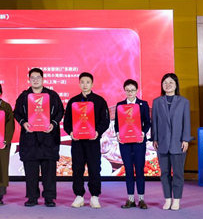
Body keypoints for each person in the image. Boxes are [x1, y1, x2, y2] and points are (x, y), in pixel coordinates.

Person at [14, 67, 64, 207]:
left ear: (43, 79)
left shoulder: (52, 95)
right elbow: (17, 113)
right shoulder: (24, 96)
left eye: (38, 77)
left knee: (49, 171)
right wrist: (23, 123)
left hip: (48, 138)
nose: (35, 80)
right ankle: (32, 197)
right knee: (31, 171)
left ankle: (49, 197)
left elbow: (60, 111)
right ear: (29, 80)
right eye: (33, 78)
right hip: (30, 138)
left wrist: (53, 124)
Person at [63, 72, 109, 209]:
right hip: (77, 141)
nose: (85, 85)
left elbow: (105, 121)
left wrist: (97, 132)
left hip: (92, 141)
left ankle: (95, 196)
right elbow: (67, 122)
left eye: (87, 82)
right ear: (79, 84)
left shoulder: (99, 101)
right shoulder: (73, 101)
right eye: (82, 82)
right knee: (77, 168)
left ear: (92, 84)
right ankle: (79, 195)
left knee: (94, 168)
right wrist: (71, 132)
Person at [151, 73, 191, 211]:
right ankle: (167, 199)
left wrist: (186, 139)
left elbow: (186, 122)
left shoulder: (184, 102)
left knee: (178, 173)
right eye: (165, 83)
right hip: (162, 143)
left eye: (170, 82)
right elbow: (154, 122)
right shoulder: (157, 102)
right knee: (164, 173)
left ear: (176, 85)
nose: (167, 85)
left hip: (178, 143)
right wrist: (155, 138)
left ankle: (177, 200)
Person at [113, 79, 152, 209]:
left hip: (139, 141)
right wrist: (118, 133)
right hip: (125, 142)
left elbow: (147, 122)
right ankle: (130, 199)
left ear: (137, 91)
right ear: (124, 91)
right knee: (128, 170)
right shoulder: (120, 105)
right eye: (127, 90)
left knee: (139, 170)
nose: (130, 92)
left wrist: (143, 133)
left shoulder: (143, 104)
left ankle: (141, 199)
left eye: (132, 90)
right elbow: (117, 123)